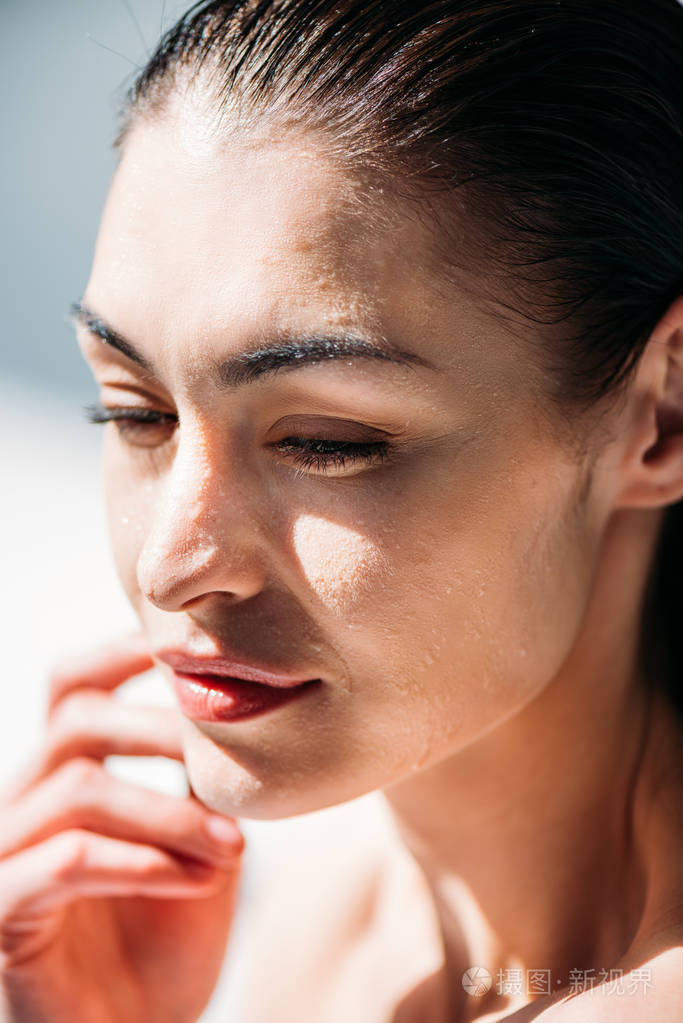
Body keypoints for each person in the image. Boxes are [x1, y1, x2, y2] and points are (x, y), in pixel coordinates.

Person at [1, 0, 682, 1019]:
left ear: (662, 409)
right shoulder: (326, 923)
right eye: (135, 412)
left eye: (326, 441)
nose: (171, 562)